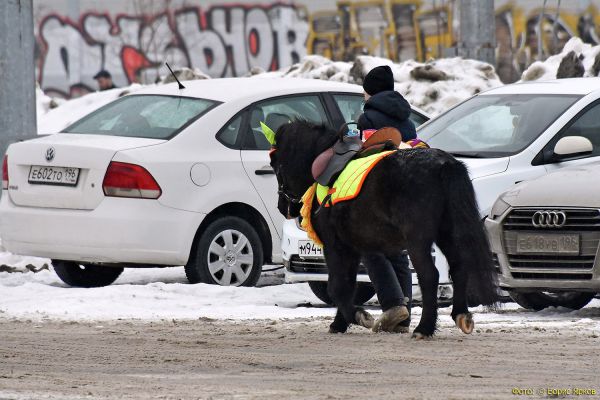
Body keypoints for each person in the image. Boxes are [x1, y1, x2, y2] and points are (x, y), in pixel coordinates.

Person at [357, 65, 415, 333]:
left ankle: (392, 305)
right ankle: (403, 315)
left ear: (370, 91)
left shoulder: (367, 118)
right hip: (405, 190)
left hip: (378, 191)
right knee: (396, 249)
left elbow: (365, 156)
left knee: (370, 246)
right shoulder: (407, 118)